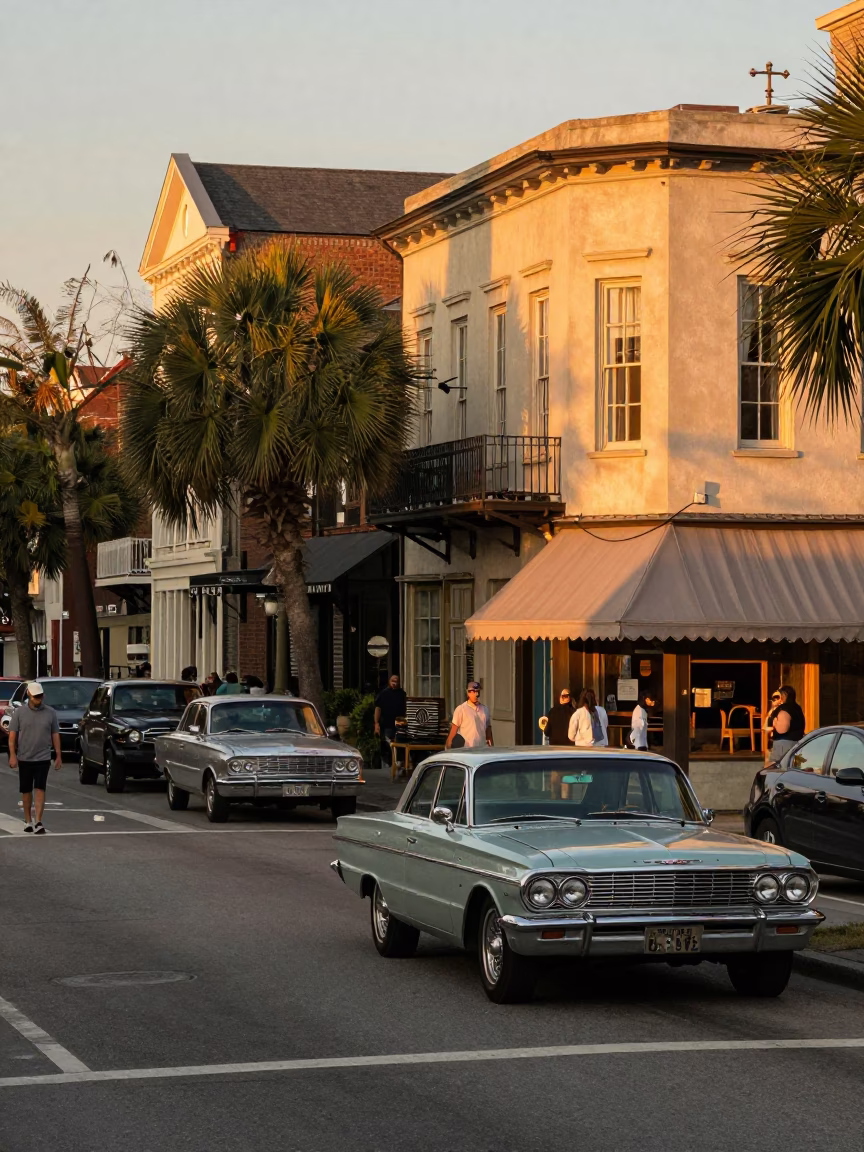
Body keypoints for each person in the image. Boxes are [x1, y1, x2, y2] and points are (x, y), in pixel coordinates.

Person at [8, 682, 62, 834]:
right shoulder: (19, 713)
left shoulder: (50, 713)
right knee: (26, 791)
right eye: (36, 697)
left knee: (40, 789)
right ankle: (28, 820)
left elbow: (55, 734)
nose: (39, 699)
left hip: (43, 757)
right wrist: (13, 755)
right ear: (30, 696)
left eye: (41, 696)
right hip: (25, 757)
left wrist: (58, 755)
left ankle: (38, 821)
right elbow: (12, 736)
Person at [374, 673, 407, 769]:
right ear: (389, 682)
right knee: (388, 744)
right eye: (393, 681)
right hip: (387, 724)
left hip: (400, 724)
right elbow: (378, 709)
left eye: (396, 682)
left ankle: (399, 763)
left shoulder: (402, 694)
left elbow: (405, 708)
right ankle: (389, 763)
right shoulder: (383, 694)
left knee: (400, 744)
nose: (395, 683)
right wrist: (376, 723)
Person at [446, 682, 493, 749]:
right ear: (468, 693)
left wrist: (491, 748)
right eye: (473, 692)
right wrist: (448, 749)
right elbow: (452, 733)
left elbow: (488, 733)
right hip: (467, 750)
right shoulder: (461, 709)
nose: (476, 694)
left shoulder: (485, 710)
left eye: (478, 691)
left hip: (482, 749)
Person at [765, 685, 805, 763]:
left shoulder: (784, 709)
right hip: (797, 743)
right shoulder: (797, 708)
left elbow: (782, 729)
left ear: (784, 695)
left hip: (783, 745)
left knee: (779, 769)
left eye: (779, 696)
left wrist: (775, 723)